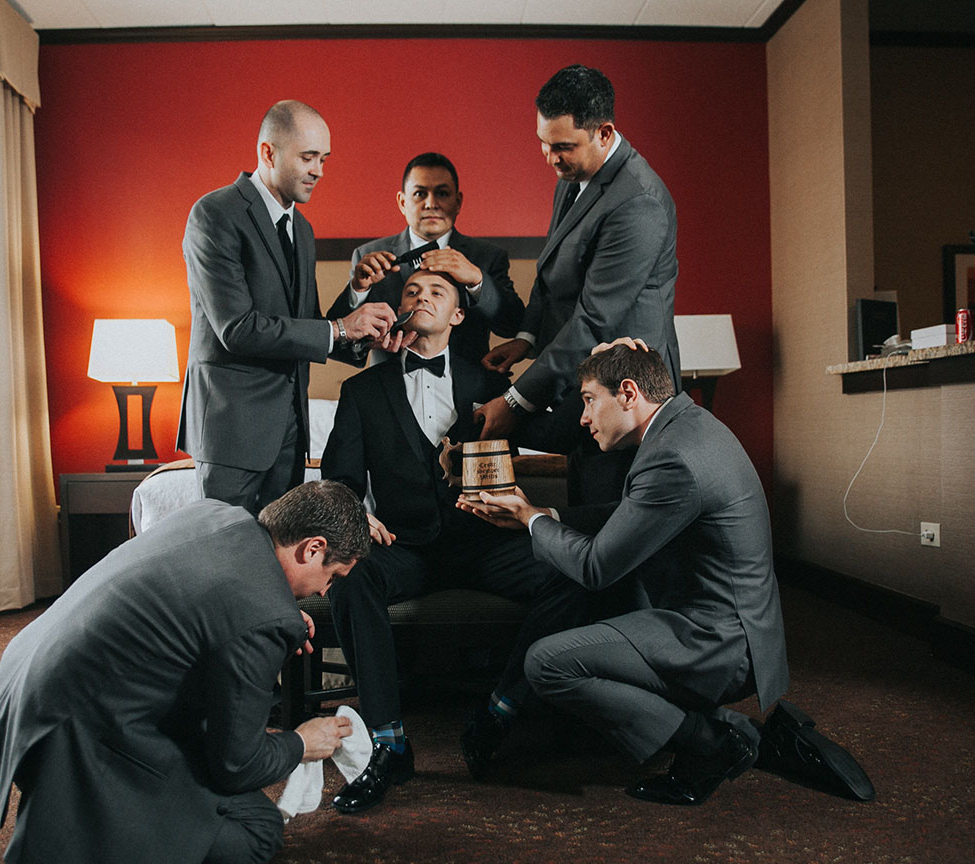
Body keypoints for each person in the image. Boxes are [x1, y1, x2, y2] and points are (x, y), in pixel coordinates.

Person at [0, 481, 371, 864]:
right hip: (79, 733)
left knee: (239, 806)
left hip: (26, 678)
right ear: (312, 549)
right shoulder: (262, 615)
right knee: (258, 830)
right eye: (332, 576)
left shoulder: (216, 514)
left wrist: (269, 616)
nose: (325, 591)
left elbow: (208, 603)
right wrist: (302, 742)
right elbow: (237, 766)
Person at [460, 341, 789, 806]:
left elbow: (594, 567)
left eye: (589, 399)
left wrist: (531, 519)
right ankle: (732, 729)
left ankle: (710, 743)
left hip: (718, 642)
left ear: (629, 393)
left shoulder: (671, 457)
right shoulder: (687, 427)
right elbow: (629, 514)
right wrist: (544, 514)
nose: (582, 417)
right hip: (735, 624)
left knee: (547, 662)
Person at [320, 269, 588, 814]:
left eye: (436, 292)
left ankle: (500, 710)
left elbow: (549, 435)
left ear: (459, 315)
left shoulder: (492, 388)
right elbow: (339, 478)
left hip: (484, 545)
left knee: (575, 570)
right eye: (411, 291)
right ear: (398, 309)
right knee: (350, 579)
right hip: (404, 548)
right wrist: (355, 514)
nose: (421, 297)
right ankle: (388, 743)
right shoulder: (361, 390)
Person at [177, 100, 401, 513]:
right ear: (268, 153)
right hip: (232, 430)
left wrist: (357, 299)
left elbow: (306, 327)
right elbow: (237, 328)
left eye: (324, 159)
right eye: (308, 157)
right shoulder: (214, 214)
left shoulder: (302, 228)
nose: (320, 171)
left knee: (282, 549)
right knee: (227, 545)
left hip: (290, 431)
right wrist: (340, 328)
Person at [473, 65, 682, 505]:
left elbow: (594, 320)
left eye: (562, 146)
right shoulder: (573, 177)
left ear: (604, 133)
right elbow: (552, 275)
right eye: (543, 143)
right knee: (581, 507)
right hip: (584, 378)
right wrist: (527, 338)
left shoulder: (638, 203)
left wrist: (515, 401)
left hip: (628, 398)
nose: (549, 157)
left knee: (608, 517)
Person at [326, 152, 525, 367]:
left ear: (458, 202)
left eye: (442, 193)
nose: (431, 203)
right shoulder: (368, 254)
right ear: (402, 202)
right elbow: (339, 346)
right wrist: (358, 290)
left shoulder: (488, 256)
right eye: (420, 194)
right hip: (387, 382)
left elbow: (512, 325)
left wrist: (477, 280)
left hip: (468, 384)